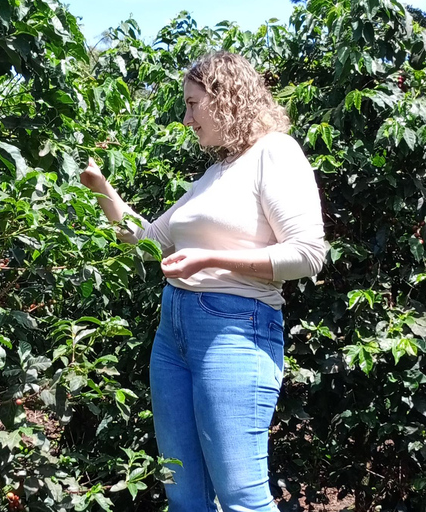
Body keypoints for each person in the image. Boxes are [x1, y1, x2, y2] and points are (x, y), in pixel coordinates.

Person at [79, 51, 325, 512]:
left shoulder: (274, 151)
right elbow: (148, 240)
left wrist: (211, 259)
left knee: (241, 496)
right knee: (184, 494)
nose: (187, 118)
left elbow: (308, 254)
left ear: (226, 98)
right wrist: (101, 189)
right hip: (173, 332)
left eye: (193, 104)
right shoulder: (214, 174)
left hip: (234, 326)